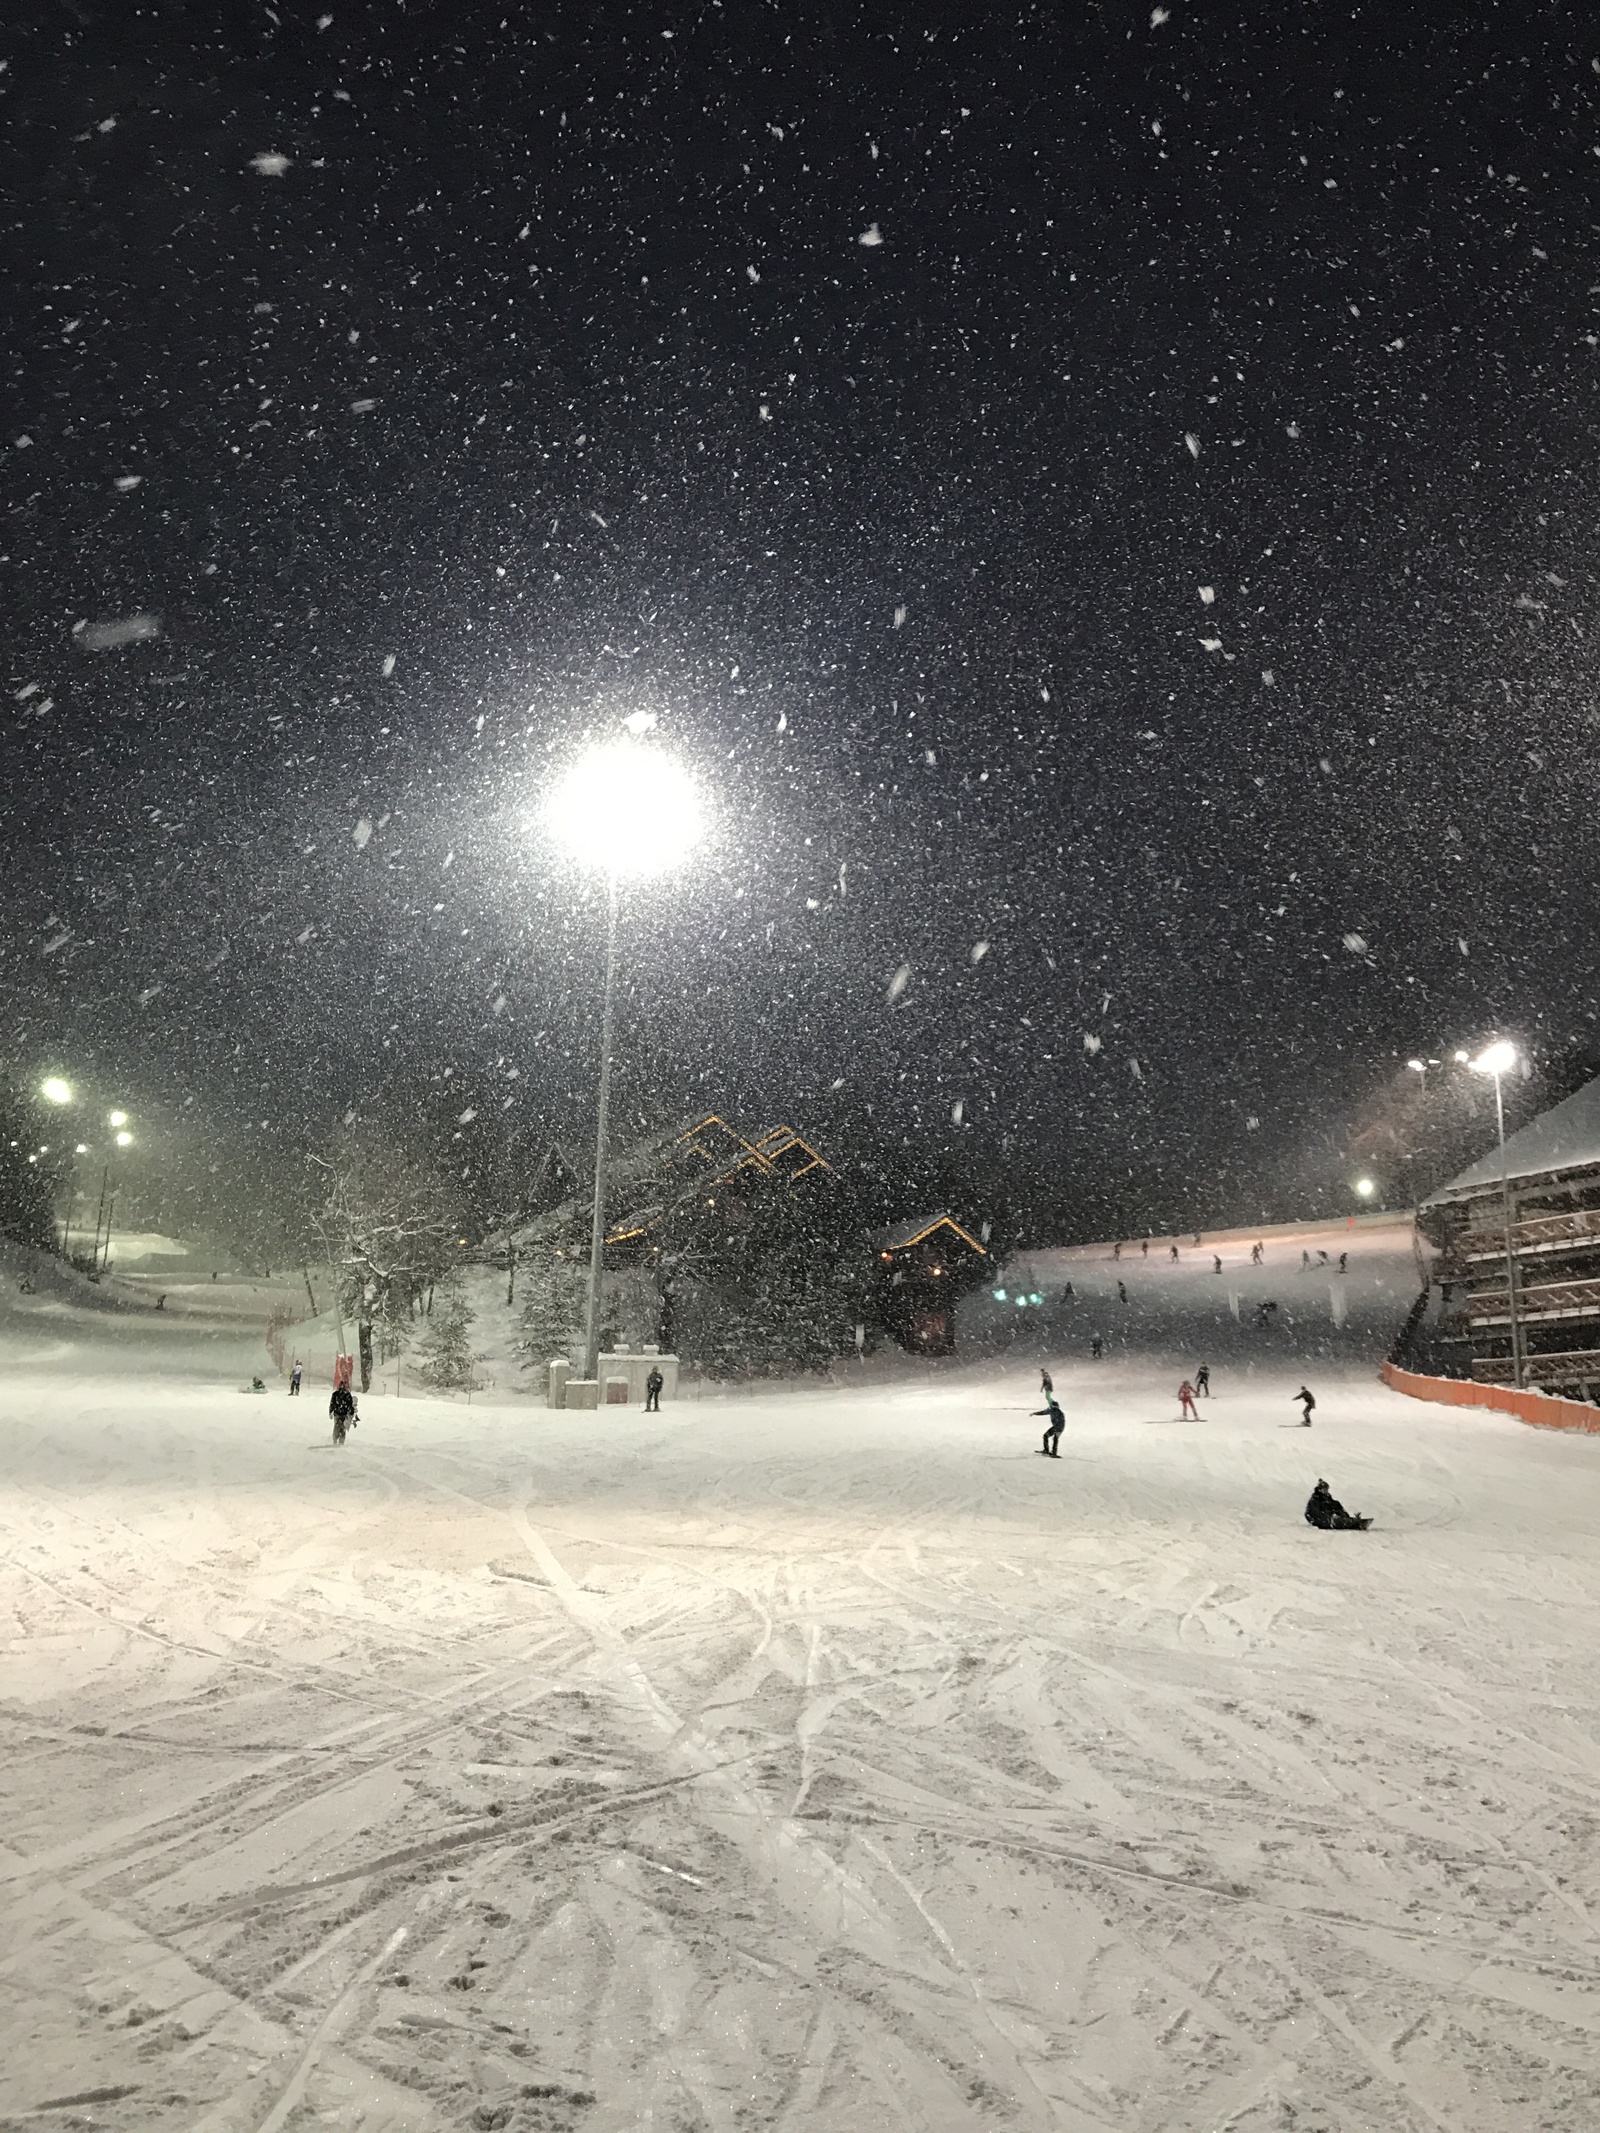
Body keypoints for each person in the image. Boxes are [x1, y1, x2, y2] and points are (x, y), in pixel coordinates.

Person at [1305, 1478, 1370, 1530]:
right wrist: (1330, 1515)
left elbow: (1334, 1506)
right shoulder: (1315, 1500)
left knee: (1336, 1504)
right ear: (1320, 1490)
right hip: (1319, 1520)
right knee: (1336, 1518)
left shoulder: (1327, 1498)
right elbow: (1316, 1513)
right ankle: (1351, 1523)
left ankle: (1352, 1521)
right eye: (1324, 1489)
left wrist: (1341, 1513)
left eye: (1327, 1489)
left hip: (1328, 1518)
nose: (1326, 1491)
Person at [330, 1381, 357, 1446]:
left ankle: (340, 1441)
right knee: (338, 1426)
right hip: (338, 1413)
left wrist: (351, 1412)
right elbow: (332, 1404)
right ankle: (336, 1440)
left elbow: (349, 1405)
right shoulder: (336, 1394)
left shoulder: (346, 1395)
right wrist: (331, 1411)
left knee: (342, 1427)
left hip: (343, 1414)